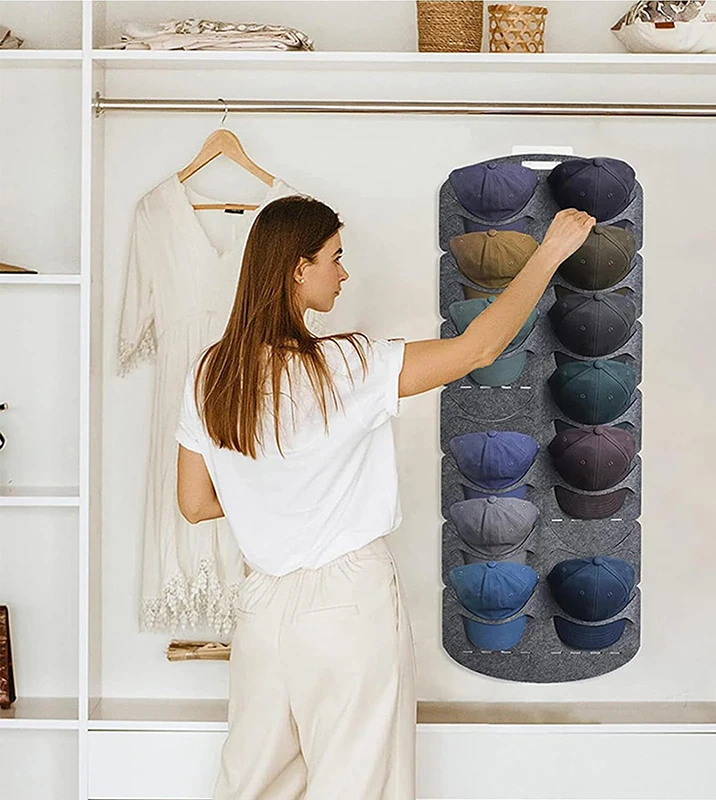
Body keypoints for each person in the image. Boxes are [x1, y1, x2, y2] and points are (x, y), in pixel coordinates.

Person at [174, 195, 595, 800]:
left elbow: (195, 503)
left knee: (254, 785)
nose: (343, 273)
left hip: (260, 612)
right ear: (299, 268)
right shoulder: (344, 365)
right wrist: (549, 252)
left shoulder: (209, 374)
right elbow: (477, 349)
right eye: (335, 258)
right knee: (358, 784)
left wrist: (272, 493)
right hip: (347, 604)